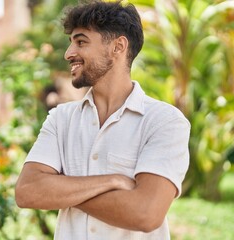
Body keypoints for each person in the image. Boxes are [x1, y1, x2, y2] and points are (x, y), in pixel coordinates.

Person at [15, 1, 190, 239]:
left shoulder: (164, 122)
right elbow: (27, 191)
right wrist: (113, 180)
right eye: (71, 43)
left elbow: (146, 213)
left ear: (118, 47)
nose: (69, 54)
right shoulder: (60, 119)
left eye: (81, 41)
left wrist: (62, 189)